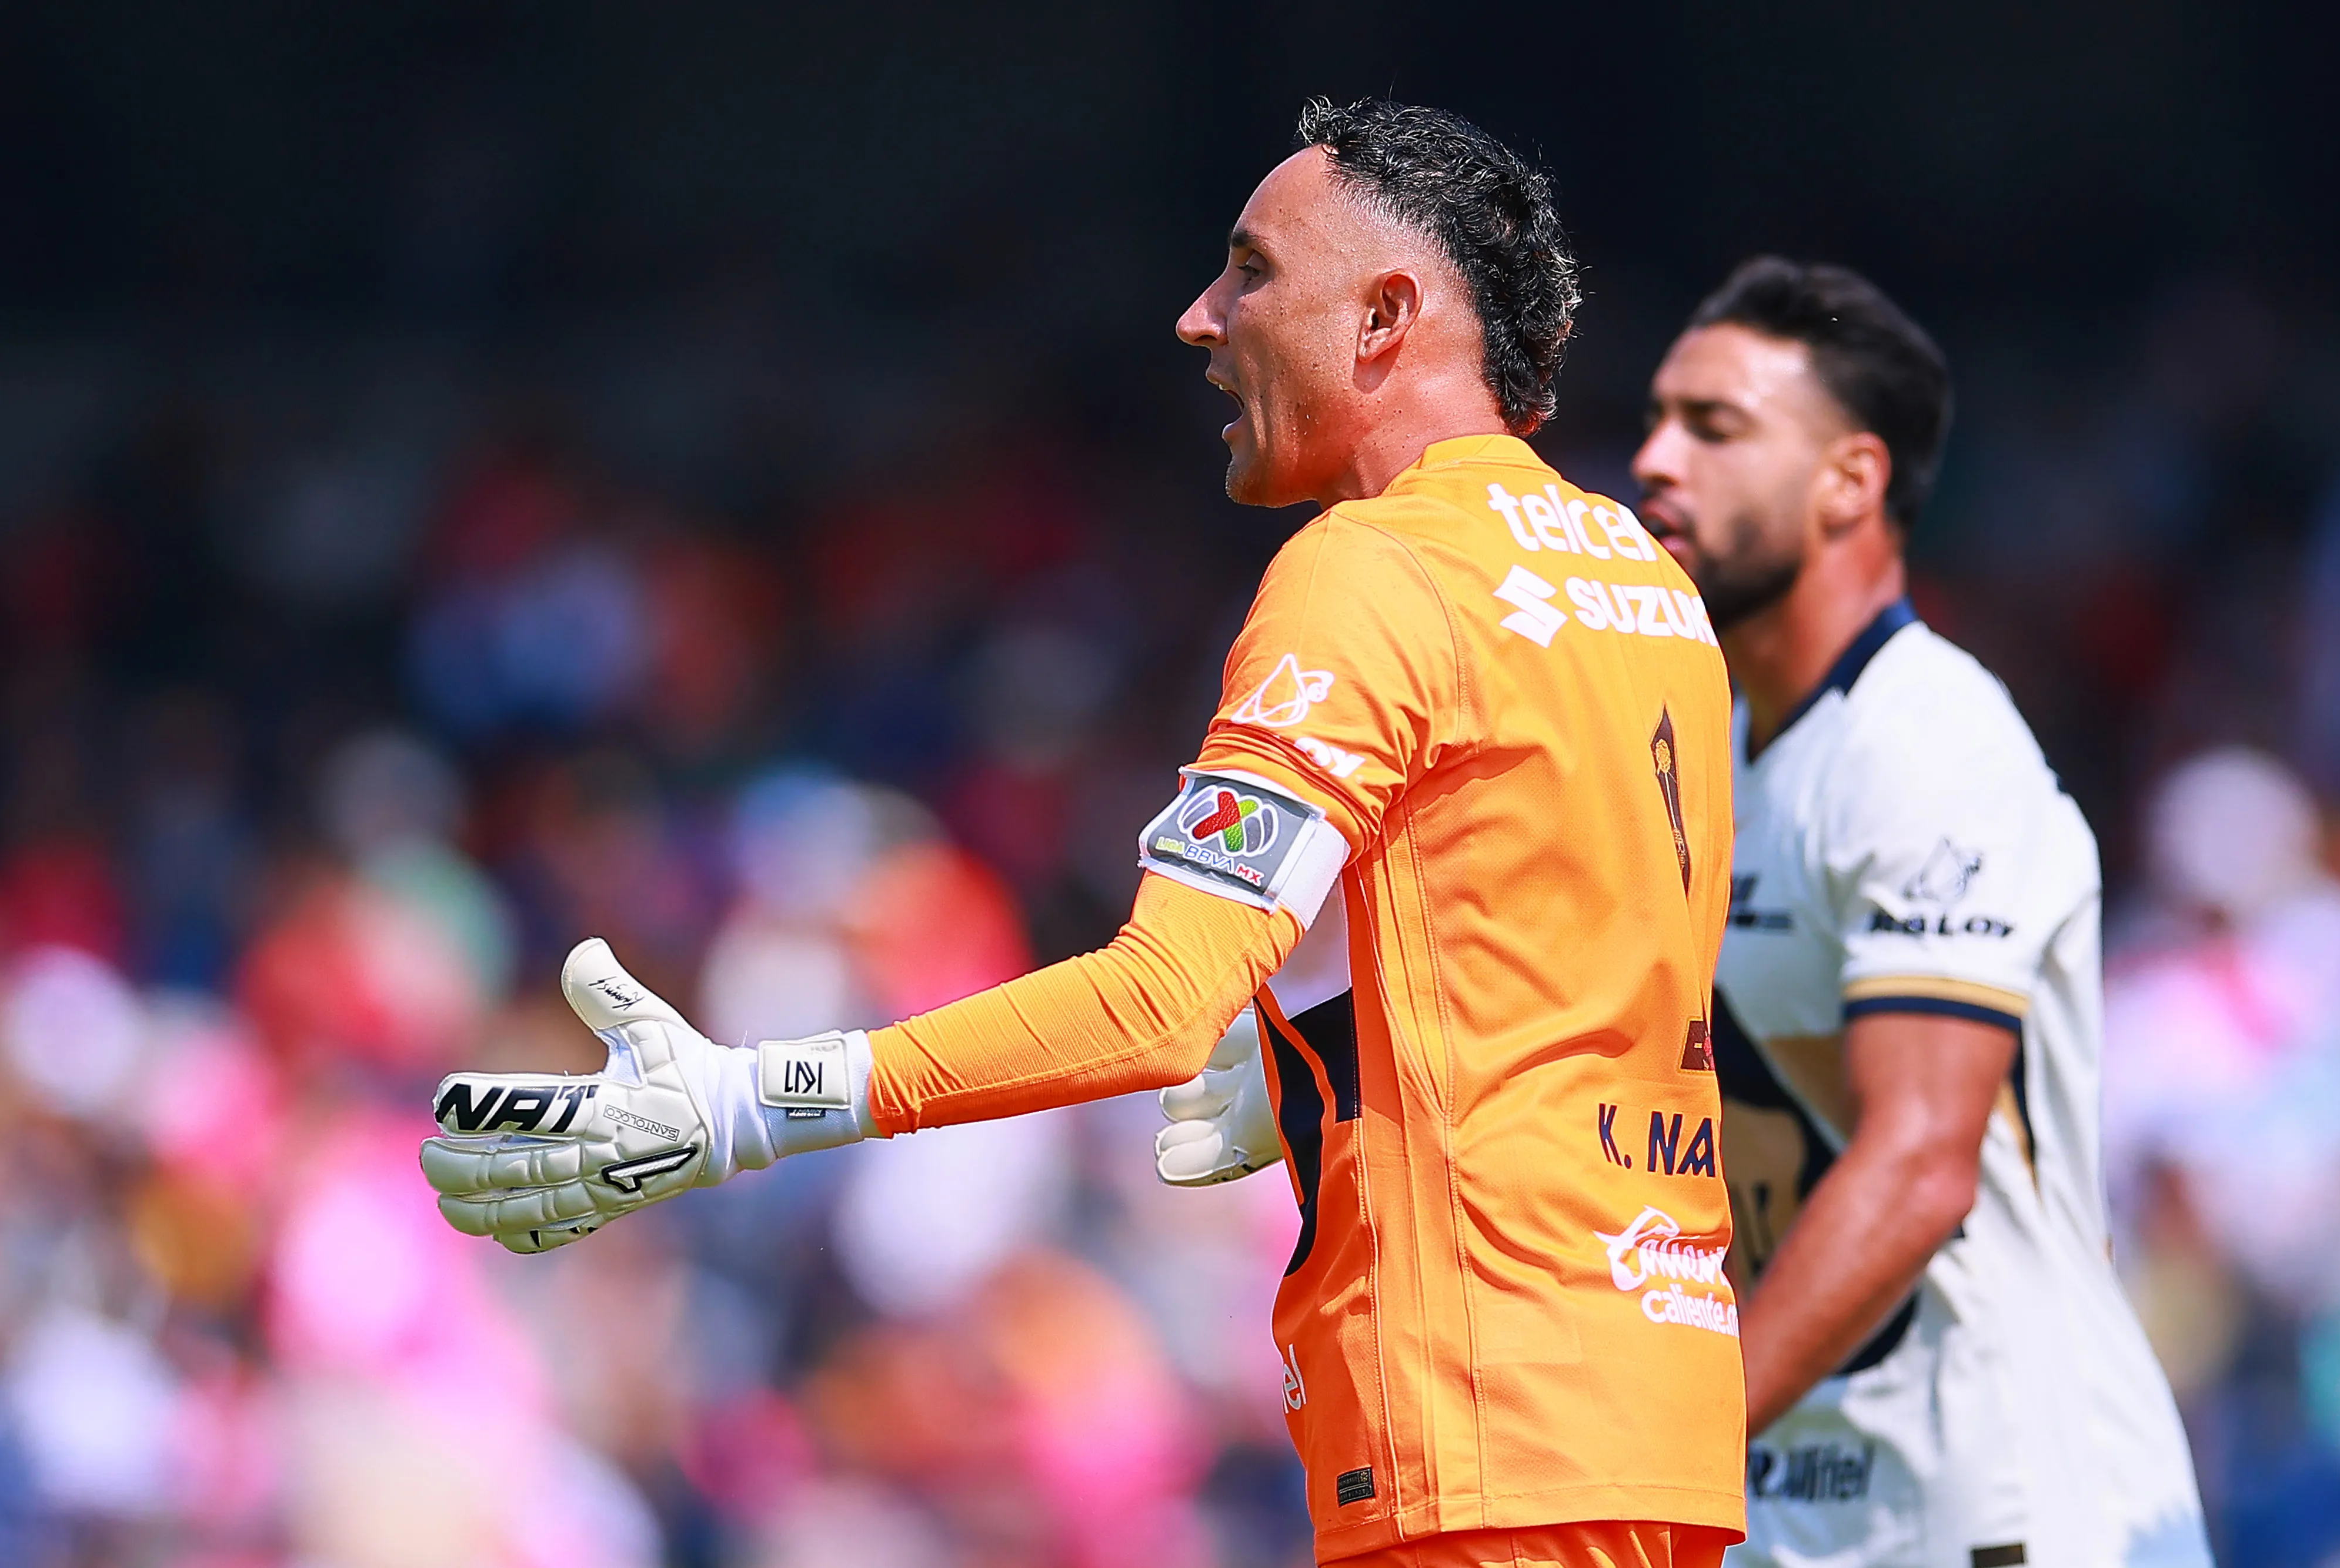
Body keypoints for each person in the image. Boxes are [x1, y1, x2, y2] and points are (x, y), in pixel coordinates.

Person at [422, 99, 1749, 1568]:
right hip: (1654, 1423)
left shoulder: (1368, 571)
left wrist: (746, 1105)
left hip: (1475, 1434)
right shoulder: (1643, 582)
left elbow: (1155, 1001)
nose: (1198, 319)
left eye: (1249, 272)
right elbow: (1582, 983)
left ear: (1384, 315)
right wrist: (1315, 1061)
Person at [1630, 258, 2211, 1566]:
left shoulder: (1927, 742)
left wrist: (1658, 1440)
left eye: (1714, 427)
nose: (1655, 458)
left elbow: (1917, 1164)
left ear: (1851, 480)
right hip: (1803, 1509)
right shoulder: (1691, 746)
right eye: (1659, 416)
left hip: (2008, 1506)